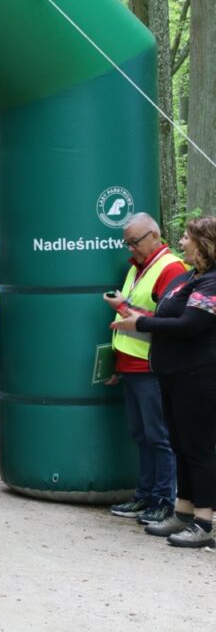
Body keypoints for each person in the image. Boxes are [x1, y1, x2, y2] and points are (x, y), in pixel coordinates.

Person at [111, 216, 216, 548]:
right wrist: (133, 314)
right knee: (181, 445)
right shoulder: (187, 278)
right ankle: (182, 513)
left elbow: (189, 325)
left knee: (198, 450)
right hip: (171, 375)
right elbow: (163, 316)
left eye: (186, 237)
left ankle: (204, 522)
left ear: (204, 244)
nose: (181, 242)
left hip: (198, 377)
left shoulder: (211, 283)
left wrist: (140, 325)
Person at [104, 213, 185, 525]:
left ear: (154, 235)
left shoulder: (171, 268)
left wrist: (123, 307)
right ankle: (146, 494)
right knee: (142, 435)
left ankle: (164, 499)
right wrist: (117, 363)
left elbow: (170, 323)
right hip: (132, 366)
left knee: (159, 436)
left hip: (152, 367)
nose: (130, 248)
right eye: (127, 243)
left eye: (134, 242)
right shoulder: (137, 267)